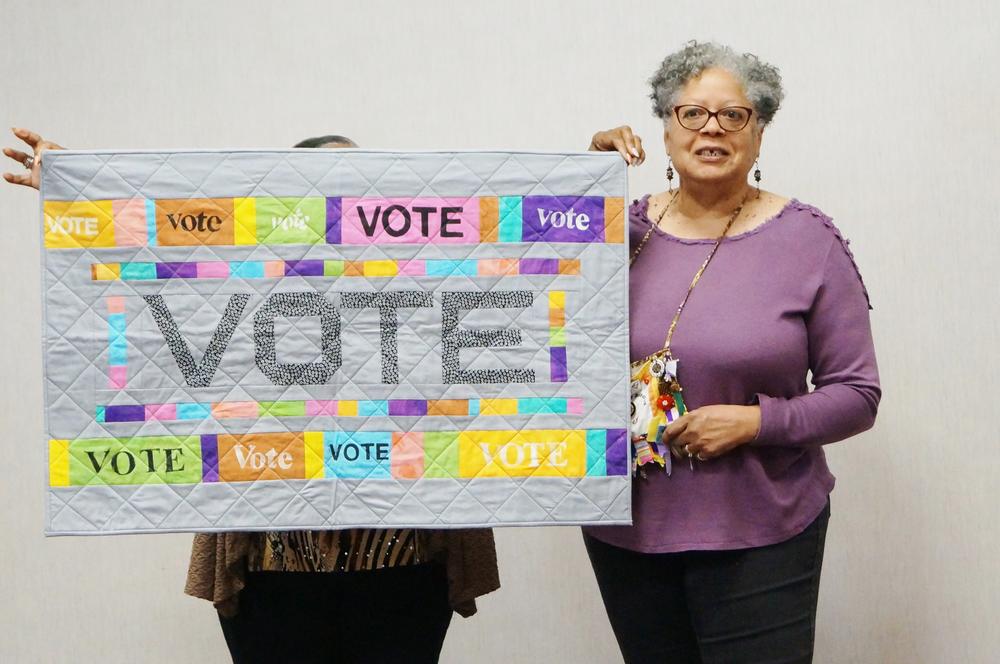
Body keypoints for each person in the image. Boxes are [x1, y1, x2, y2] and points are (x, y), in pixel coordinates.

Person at [4, 129, 499, 664]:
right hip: (271, 566)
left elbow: (503, 271)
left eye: (354, 185)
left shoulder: (421, 282)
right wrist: (81, 191)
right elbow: (154, 246)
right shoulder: (237, 280)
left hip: (405, 561)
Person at [584, 41, 880, 663]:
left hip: (762, 532)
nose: (712, 128)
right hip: (625, 530)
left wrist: (756, 422)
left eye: (735, 115)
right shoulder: (614, 230)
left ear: (759, 133)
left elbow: (857, 396)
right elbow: (520, 303)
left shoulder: (807, 239)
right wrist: (581, 188)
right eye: (692, 113)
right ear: (664, 131)